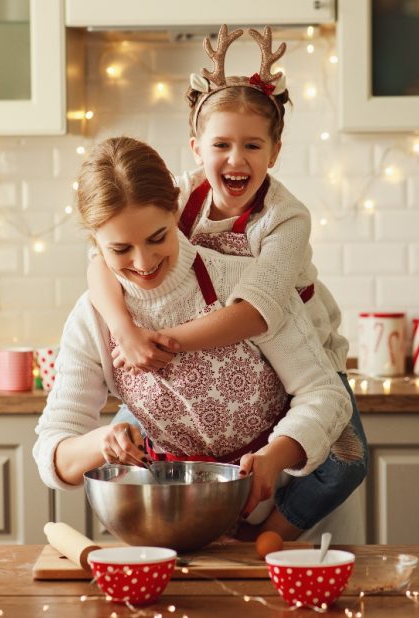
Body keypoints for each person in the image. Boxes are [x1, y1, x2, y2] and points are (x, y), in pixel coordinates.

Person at [85, 25, 368, 541]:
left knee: (345, 462)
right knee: (140, 431)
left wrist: (163, 344)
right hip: (181, 355)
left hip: (298, 346)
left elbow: (257, 312)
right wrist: (126, 331)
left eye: (252, 145)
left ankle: (271, 534)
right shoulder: (177, 196)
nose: (236, 160)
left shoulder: (286, 219)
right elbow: (101, 260)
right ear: (196, 148)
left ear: (275, 152)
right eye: (221, 145)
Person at [34, 137, 353, 538]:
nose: (143, 262)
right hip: (174, 530)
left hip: (293, 532)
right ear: (95, 244)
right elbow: (53, 453)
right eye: (120, 249)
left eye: (157, 238)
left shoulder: (242, 283)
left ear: (176, 208)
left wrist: (276, 455)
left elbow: (325, 394)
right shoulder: (91, 319)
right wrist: (103, 441)